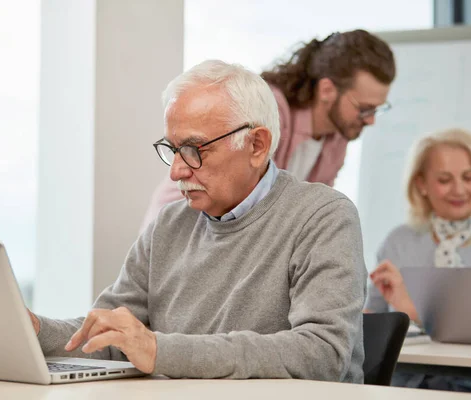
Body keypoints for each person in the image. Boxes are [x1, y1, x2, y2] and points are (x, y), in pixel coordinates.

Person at [28, 60, 367, 381]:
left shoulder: (323, 217)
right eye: (173, 149)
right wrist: (33, 330)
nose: (176, 170)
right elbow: (107, 337)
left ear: (257, 145)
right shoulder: (169, 225)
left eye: (194, 149)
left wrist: (160, 350)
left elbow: (322, 353)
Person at [140, 29, 396, 228]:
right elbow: (252, 211)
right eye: (364, 108)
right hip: (185, 227)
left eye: (376, 110)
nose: (370, 120)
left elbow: (312, 209)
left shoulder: (336, 138)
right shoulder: (270, 111)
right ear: (327, 90)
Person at [364, 128, 471, 394]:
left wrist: (415, 311)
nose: (459, 190)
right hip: (401, 385)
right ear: (421, 184)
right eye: (444, 179)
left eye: (469, 177)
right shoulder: (398, 242)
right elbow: (371, 320)